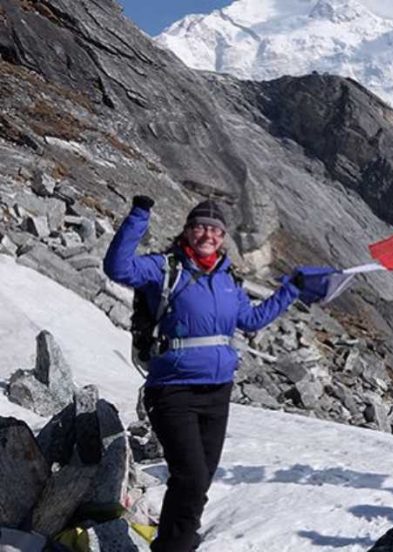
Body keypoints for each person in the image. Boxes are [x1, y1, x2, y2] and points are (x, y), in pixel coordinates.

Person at [104, 196, 301, 551]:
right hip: (172, 390)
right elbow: (117, 268)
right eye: (200, 226)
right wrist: (139, 215)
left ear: (223, 236)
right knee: (191, 476)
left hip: (217, 392)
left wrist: (292, 290)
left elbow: (252, 319)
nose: (207, 234)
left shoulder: (227, 279)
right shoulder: (165, 269)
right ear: (187, 230)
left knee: (198, 480)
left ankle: (178, 540)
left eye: (215, 228)